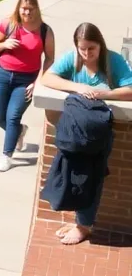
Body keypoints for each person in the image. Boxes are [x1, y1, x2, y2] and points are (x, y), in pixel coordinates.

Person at [40, 23, 132, 245]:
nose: (87, 54)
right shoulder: (73, 59)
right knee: (70, 175)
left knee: (93, 178)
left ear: (100, 44)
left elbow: (129, 90)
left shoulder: (113, 61)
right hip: (74, 133)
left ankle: (84, 226)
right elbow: (47, 78)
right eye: (83, 49)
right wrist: (78, 87)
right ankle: (79, 222)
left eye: (91, 48)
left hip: (99, 135)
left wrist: (105, 93)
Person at [0, 0, 55, 172]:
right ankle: (19, 131)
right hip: (2, 75)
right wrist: (4, 44)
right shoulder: (9, 24)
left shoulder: (45, 31)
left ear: (37, 9)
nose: (27, 12)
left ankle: (7, 155)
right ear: (19, 8)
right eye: (24, 8)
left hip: (26, 81)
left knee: (13, 116)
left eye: (31, 9)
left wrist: (38, 82)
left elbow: (49, 58)